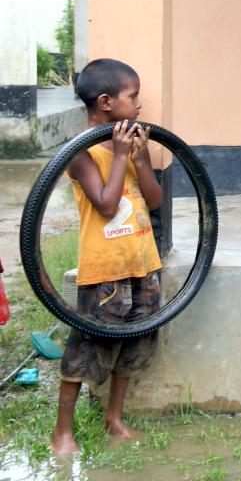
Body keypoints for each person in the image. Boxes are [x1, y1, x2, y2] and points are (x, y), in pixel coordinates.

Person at [52, 59, 164, 455]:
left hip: (142, 262)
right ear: (105, 102)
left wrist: (139, 158)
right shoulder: (81, 153)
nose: (139, 105)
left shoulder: (130, 147)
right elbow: (104, 204)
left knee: (132, 343)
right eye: (133, 97)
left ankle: (114, 417)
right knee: (87, 347)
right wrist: (118, 157)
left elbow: (154, 200)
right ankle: (62, 432)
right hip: (105, 272)